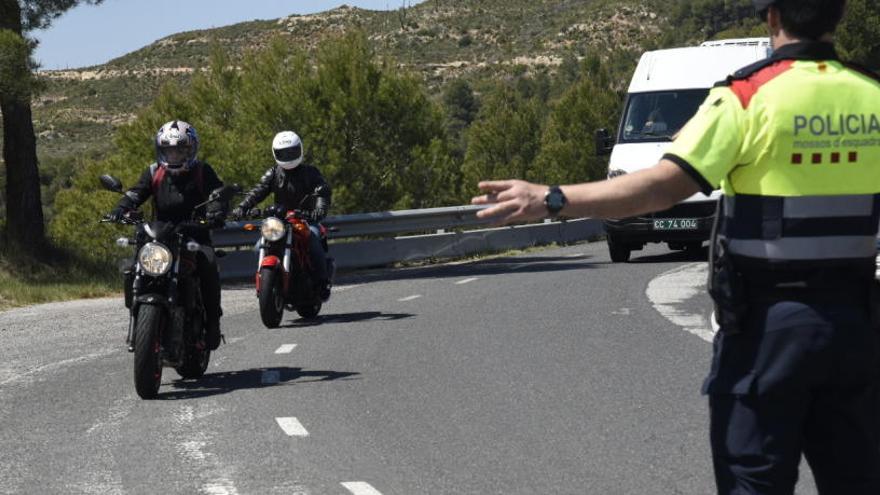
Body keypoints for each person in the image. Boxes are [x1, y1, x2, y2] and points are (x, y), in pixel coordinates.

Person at [472, 1, 880, 493]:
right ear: (836, 17)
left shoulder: (747, 97)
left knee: (753, 482)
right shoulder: (872, 95)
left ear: (772, 18)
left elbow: (659, 188)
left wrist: (552, 198)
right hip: (859, 329)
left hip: (767, 333)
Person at [108, 120, 228, 351]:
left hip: (194, 234)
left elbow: (217, 194)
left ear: (190, 149)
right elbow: (136, 193)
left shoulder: (203, 171)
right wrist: (120, 209)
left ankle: (213, 321)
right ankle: (138, 320)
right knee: (134, 268)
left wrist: (216, 212)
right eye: (168, 150)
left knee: (208, 262)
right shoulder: (154, 172)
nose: (173, 155)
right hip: (160, 236)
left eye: (179, 149)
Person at [231, 131, 333, 300]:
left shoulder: (311, 172)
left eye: (291, 152)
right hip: (280, 220)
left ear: (299, 150)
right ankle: (265, 284)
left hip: (305, 219)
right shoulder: (273, 173)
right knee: (258, 247)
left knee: (313, 238)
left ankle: (322, 282)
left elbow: (322, 192)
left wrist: (318, 211)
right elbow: (258, 191)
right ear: (275, 153)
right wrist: (242, 207)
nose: (288, 156)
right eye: (283, 153)